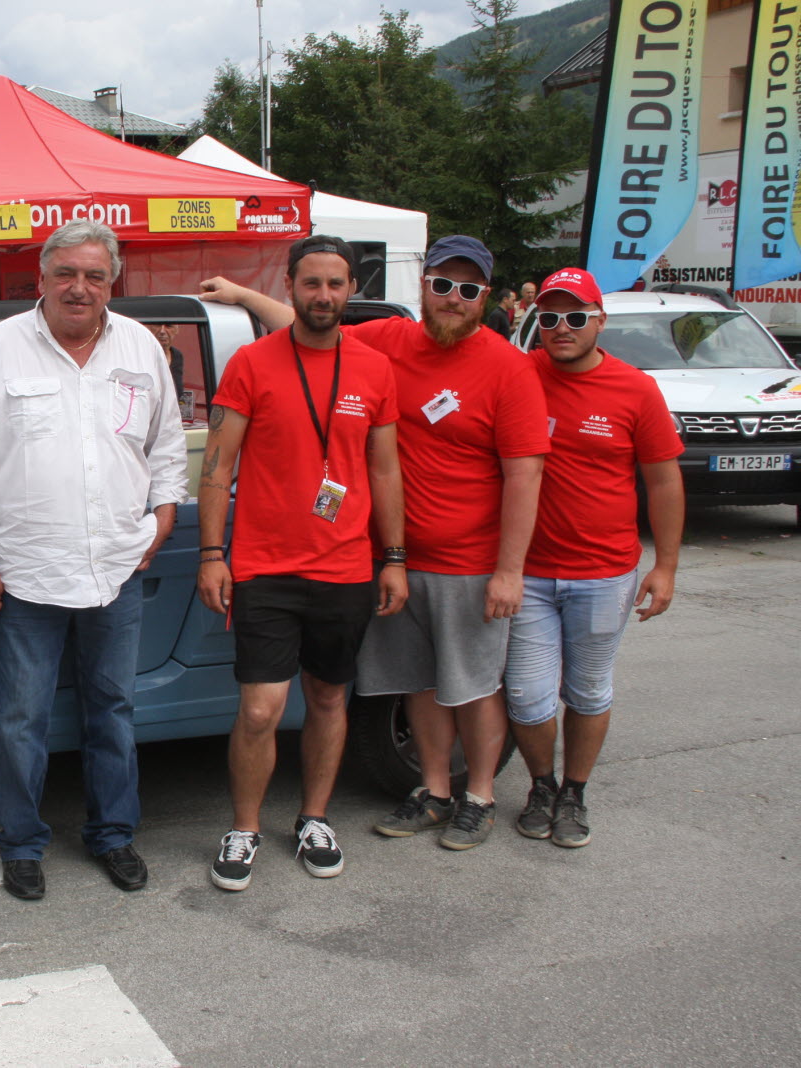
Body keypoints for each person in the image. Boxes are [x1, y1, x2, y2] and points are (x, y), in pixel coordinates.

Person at [201, 234, 549, 850]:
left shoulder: (496, 367)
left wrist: (499, 567)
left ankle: (470, 797)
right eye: (442, 284)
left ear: (484, 297)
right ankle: (421, 793)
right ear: (424, 287)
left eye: (467, 289)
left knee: (453, 687)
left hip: (427, 562)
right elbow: (307, 331)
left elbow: (514, 473)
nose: (452, 297)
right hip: (327, 562)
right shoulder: (377, 345)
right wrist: (238, 294)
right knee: (397, 685)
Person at [0, 219, 188, 900]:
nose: (80, 288)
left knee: (113, 707)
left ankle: (114, 834)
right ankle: (20, 843)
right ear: (42, 278)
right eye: (66, 274)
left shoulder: (140, 349)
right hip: (25, 572)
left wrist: (162, 518)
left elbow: (166, 445)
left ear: (113, 282)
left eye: (94, 276)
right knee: (21, 716)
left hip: (117, 567)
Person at [196, 235, 407, 889]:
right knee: (260, 709)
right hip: (264, 566)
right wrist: (211, 554)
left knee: (328, 697)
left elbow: (384, 468)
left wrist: (394, 557)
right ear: (290, 286)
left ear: (351, 289)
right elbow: (217, 465)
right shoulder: (252, 364)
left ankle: (314, 818)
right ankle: (245, 827)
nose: (323, 296)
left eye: (335, 284)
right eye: (311, 283)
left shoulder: (372, 369)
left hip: (345, 567)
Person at [507, 267, 683, 848]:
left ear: (599, 322)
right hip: (527, 572)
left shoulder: (635, 389)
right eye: (551, 317)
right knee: (528, 696)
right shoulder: (519, 372)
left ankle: (574, 793)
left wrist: (666, 568)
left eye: (576, 317)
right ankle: (541, 785)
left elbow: (662, 482)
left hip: (605, 572)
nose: (562, 328)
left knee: (587, 691)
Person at [149, 322, 186, 397]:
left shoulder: (177, 356)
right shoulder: (143, 354)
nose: (162, 331)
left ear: (176, 330)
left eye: (168, 326)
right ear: (150, 328)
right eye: (158, 325)